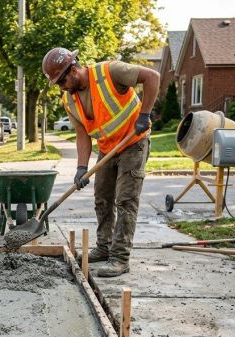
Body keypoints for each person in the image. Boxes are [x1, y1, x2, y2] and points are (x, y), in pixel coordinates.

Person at [42, 48, 159, 277]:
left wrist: (144, 115)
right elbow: (82, 134)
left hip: (133, 143)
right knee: (102, 199)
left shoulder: (109, 71)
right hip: (107, 149)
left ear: (73, 70)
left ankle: (120, 258)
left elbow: (152, 77)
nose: (61, 87)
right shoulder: (69, 100)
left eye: (61, 81)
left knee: (126, 200)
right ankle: (104, 248)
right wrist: (81, 168)